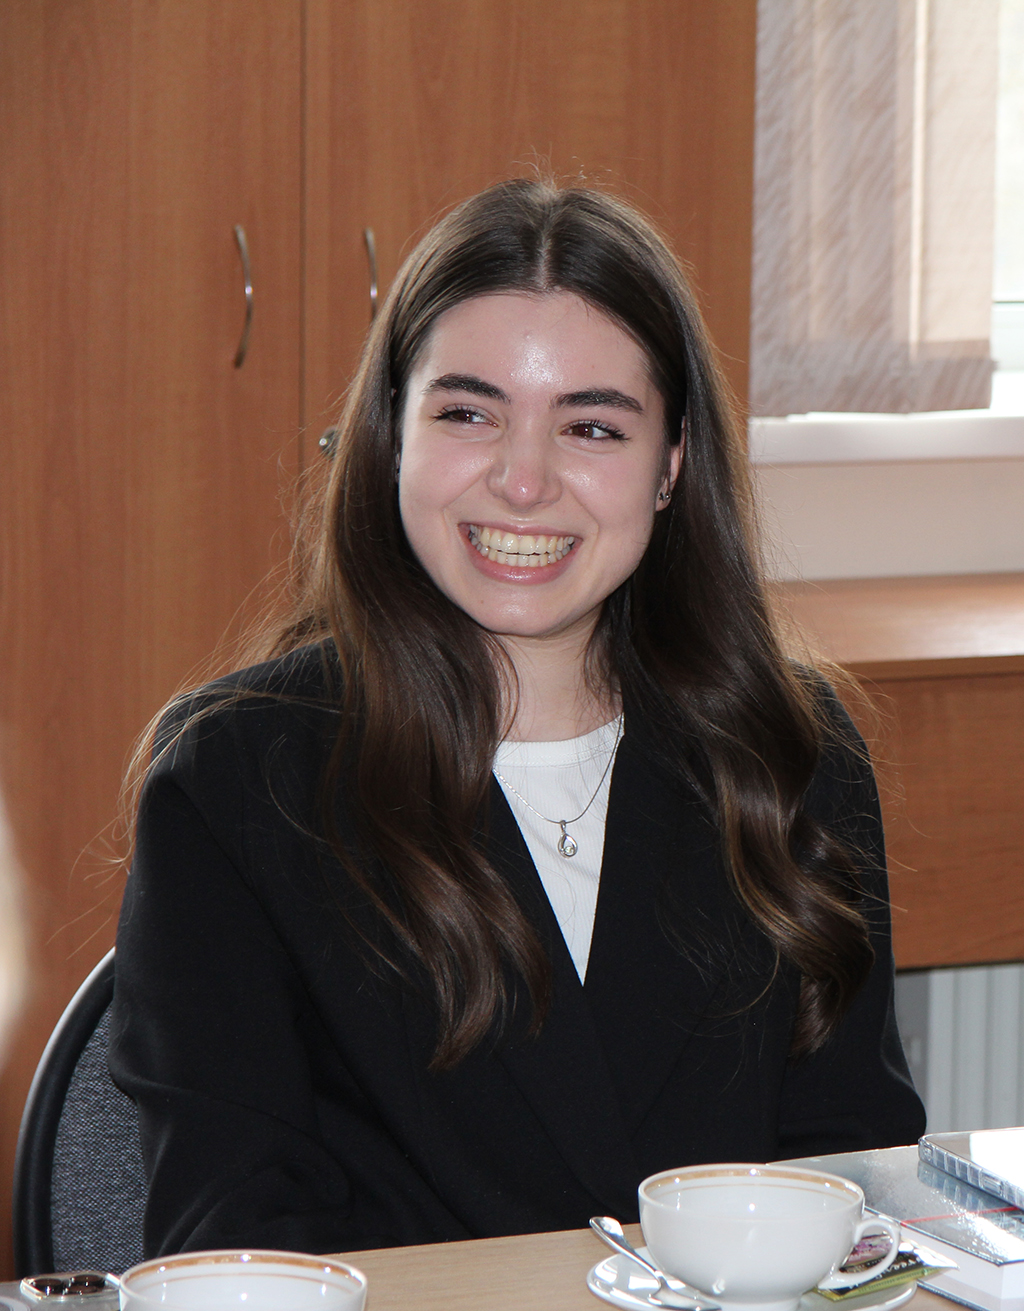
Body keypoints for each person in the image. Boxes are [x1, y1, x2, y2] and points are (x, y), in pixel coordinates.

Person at [109, 178, 925, 1259]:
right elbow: (233, 1240)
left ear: (671, 464)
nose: (524, 481)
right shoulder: (236, 778)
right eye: (467, 413)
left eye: (591, 425)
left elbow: (851, 1182)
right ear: (392, 437)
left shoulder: (789, 751)